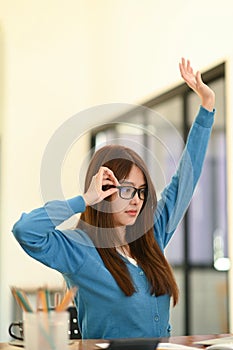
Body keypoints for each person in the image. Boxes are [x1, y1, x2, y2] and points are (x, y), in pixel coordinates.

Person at [12, 58, 215, 339]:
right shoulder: (79, 249)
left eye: (141, 191)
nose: (137, 200)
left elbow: (186, 180)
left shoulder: (151, 235)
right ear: (104, 190)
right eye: (126, 189)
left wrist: (206, 106)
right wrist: (84, 199)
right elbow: (25, 231)